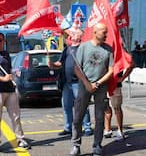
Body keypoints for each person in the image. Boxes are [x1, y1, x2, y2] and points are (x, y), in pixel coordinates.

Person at [69, 23, 114, 156]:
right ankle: (76, 145)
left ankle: (97, 145)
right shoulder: (84, 47)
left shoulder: (108, 49)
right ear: (95, 32)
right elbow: (77, 68)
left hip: (100, 87)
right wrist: (87, 83)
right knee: (78, 116)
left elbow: (111, 71)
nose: (106, 35)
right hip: (84, 85)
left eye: (106, 32)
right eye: (103, 32)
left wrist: (98, 83)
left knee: (99, 117)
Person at [0, 32, 30, 153]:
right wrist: (3, 78)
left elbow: (7, 70)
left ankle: (20, 139)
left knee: (15, 117)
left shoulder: (6, 54)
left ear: (4, 41)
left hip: (9, 90)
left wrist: (13, 73)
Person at [48, 28, 93, 137]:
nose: (71, 35)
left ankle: (87, 127)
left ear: (80, 36)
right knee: (66, 106)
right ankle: (68, 127)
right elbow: (60, 63)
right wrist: (52, 64)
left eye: (74, 33)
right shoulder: (66, 49)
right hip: (66, 83)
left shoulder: (83, 48)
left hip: (78, 82)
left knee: (82, 105)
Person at [103, 64, 134, 141]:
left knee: (117, 107)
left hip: (115, 85)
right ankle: (107, 130)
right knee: (105, 106)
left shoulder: (119, 53)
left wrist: (122, 78)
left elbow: (131, 64)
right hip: (103, 83)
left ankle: (120, 131)